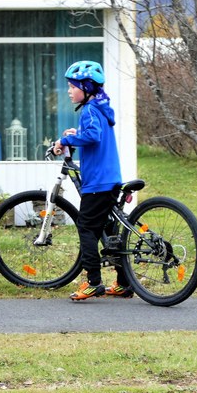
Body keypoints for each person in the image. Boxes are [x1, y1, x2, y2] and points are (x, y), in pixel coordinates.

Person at [52, 60, 132, 301]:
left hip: (97, 183)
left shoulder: (88, 110)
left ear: (86, 88)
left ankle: (94, 282)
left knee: (86, 227)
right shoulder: (99, 108)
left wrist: (65, 142)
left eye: (72, 86)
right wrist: (77, 134)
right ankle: (123, 283)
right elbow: (94, 134)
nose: (69, 90)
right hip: (111, 179)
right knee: (110, 231)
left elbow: (93, 136)